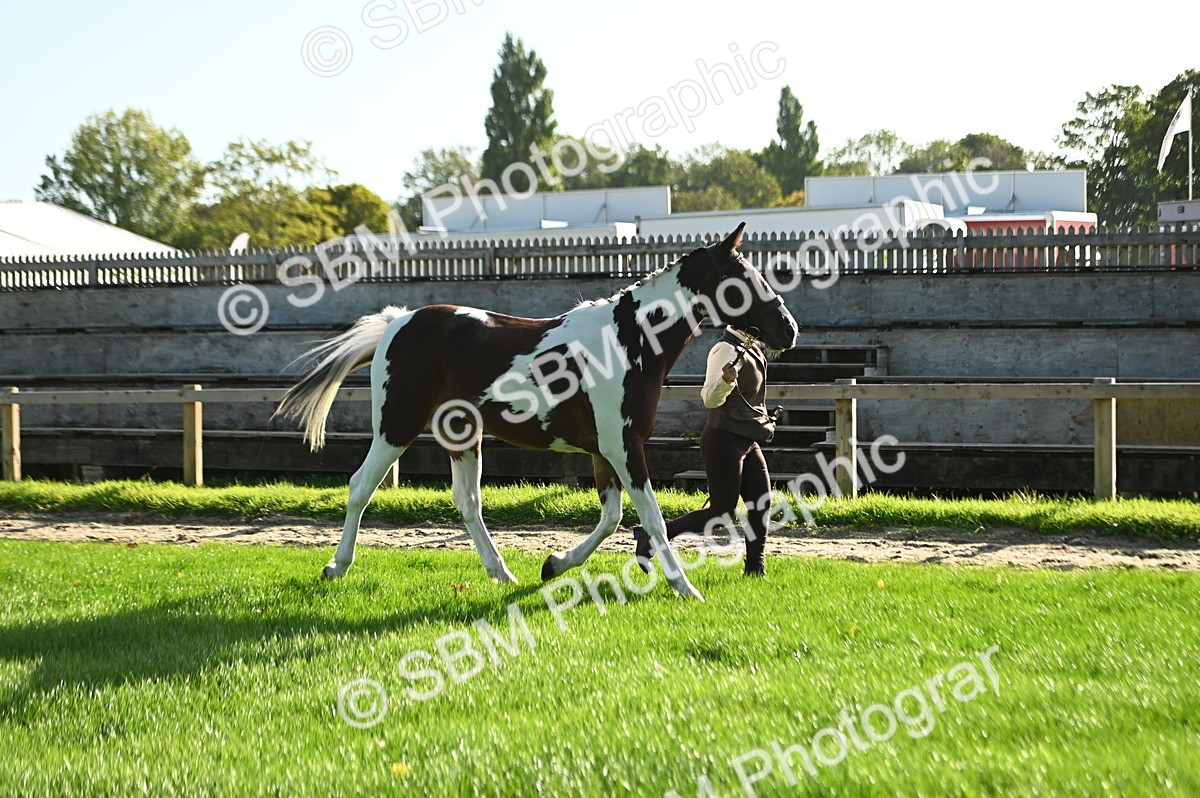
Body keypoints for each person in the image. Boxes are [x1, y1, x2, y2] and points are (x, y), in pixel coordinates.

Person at [631, 325, 778, 577]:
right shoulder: (724, 349)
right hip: (723, 440)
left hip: (748, 440)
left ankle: (755, 568)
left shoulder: (752, 347)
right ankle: (654, 534)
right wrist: (725, 381)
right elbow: (709, 398)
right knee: (721, 512)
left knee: (761, 503)